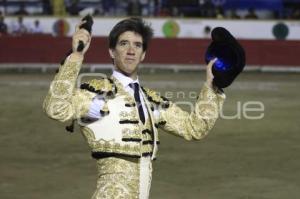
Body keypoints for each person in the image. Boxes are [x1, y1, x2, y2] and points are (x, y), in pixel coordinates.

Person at [43, 17, 225, 199]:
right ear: (112, 51)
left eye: (137, 45)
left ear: (143, 54)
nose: (131, 51)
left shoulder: (151, 101)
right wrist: (76, 56)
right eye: (124, 44)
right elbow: (56, 108)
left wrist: (212, 86)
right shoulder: (97, 94)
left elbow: (194, 128)